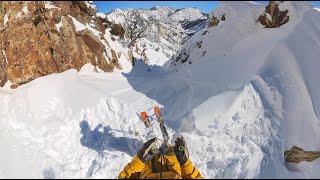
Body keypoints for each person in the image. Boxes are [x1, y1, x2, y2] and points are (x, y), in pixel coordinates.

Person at [118, 136, 204, 179]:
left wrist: (140, 160)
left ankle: (152, 140)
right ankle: (166, 144)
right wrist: (185, 163)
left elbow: (124, 177)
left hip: (149, 166)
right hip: (173, 164)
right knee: (170, 149)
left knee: (151, 148)